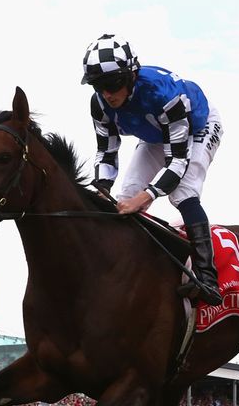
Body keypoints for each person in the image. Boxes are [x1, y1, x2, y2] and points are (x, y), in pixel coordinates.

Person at [81, 34, 224, 306]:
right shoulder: (99, 104)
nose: (107, 94)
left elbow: (178, 161)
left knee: (182, 193)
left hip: (196, 129)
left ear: (131, 75)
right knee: (124, 196)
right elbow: (106, 152)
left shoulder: (164, 95)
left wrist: (147, 197)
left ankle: (208, 277)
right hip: (158, 133)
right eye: (99, 86)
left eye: (113, 84)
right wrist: (101, 189)